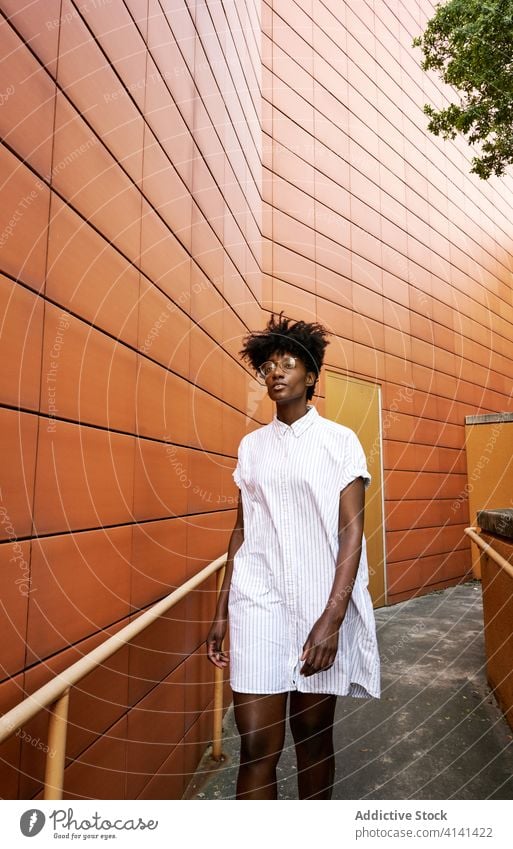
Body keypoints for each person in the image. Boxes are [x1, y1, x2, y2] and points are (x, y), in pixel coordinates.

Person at [206, 313, 380, 799]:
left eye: (289, 363)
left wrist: (333, 616)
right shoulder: (251, 447)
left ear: (311, 376)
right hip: (257, 604)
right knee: (257, 745)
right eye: (268, 366)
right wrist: (222, 609)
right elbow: (242, 531)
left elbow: (352, 535)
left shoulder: (339, 441)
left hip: (316, 605)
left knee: (312, 741)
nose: (276, 373)